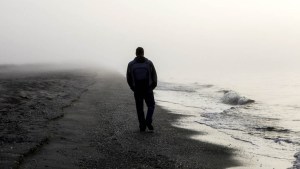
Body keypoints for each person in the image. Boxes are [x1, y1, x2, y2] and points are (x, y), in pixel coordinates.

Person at [126, 47, 157, 132]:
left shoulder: (131, 64)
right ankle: (148, 121)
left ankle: (142, 126)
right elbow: (154, 75)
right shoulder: (149, 63)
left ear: (136, 53)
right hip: (148, 89)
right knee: (151, 106)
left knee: (139, 108)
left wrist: (133, 88)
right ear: (143, 53)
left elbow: (128, 78)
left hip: (137, 89)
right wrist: (152, 87)